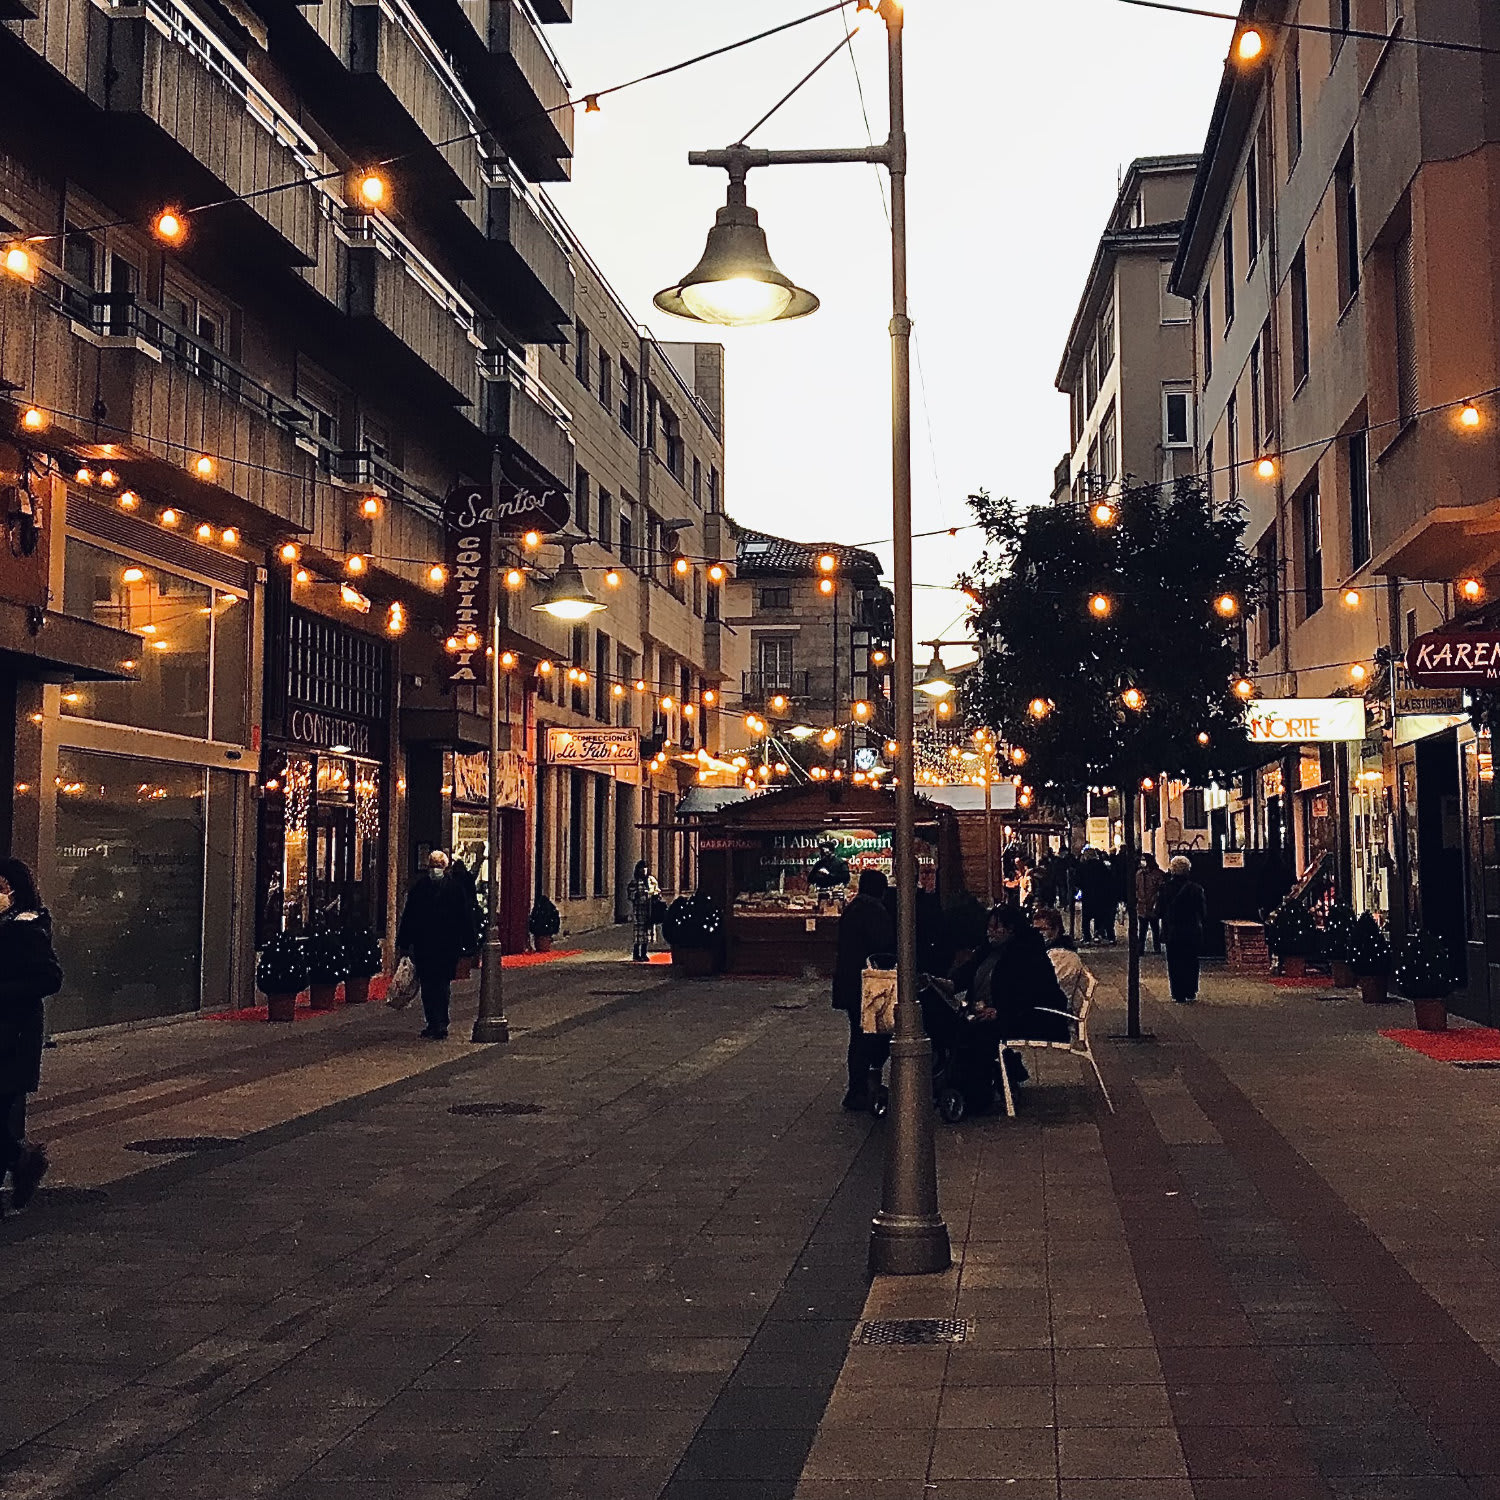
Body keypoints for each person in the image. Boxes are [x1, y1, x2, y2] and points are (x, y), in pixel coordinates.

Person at [0, 858, 63, 1212]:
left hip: (13, 1037)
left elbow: (49, 978)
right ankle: (22, 1162)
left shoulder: (26, 927)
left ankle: (24, 1161)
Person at [832, 869, 895, 1111]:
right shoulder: (873, 910)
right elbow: (884, 943)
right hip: (866, 984)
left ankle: (858, 1086)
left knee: (857, 1035)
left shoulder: (853, 907)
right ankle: (860, 1088)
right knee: (866, 1036)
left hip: (849, 983)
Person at [396, 850, 469, 1039]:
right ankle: (433, 1022)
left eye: (439, 866)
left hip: (444, 946)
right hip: (426, 945)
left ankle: (440, 1022)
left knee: (441, 985)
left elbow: (463, 917)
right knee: (429, 986)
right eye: (434, 866)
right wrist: (404, 943)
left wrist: (467, 943)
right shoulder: (421, 888)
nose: (436, 869)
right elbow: (409, 916)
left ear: (445, 868)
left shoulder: (454, 889)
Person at [1161, 854, 1209, 1003]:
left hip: (1173, 930)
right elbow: (1202, 911)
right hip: (1191, 930)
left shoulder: (1165, 888)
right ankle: (1190, 989)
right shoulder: (1196, 889)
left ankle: (1177, 992)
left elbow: (1159, 910)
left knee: (1174, 962)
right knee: (1191, 960)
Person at [1033, 906, 1087, 1009]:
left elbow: (1047, 988)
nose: (1039, 933)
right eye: (1035, 930)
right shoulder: (1047, 949)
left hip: (1053, 1011)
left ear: (1056, 930)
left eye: (1043, 929)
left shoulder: (1062, 955)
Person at [1077, 849, 1114, 945]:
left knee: (1086, 918)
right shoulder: (1101, 866)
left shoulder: (1083, 867)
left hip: (1088, 895)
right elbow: (1108, 880)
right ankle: (1098, 934)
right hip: (1100, 895)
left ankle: (1087, 938)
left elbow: (1078, 881)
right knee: (1099, 916)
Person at [627, 860, 660, 962]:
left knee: (647, 933)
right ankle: (636, 953)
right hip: (639, 911)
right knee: (639, 934)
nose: (644, 870)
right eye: (642, 868)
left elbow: (657, 891)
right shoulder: (635, 882)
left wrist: (655, 895)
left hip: (649, 910)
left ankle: (644, 953)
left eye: (645, 868)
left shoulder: (651, 880)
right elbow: (631, 895)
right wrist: (639, 895)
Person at [1134, 855, 1166, 955]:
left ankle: (1157, 947)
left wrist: (1156, 901)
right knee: (1142, 929)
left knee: (1155, 928)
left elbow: (1161, 889)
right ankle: (1140, 949)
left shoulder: (1157, 874)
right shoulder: (1139, 874)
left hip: (1153, 905)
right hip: (1142, 905)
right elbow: (1136, 887)